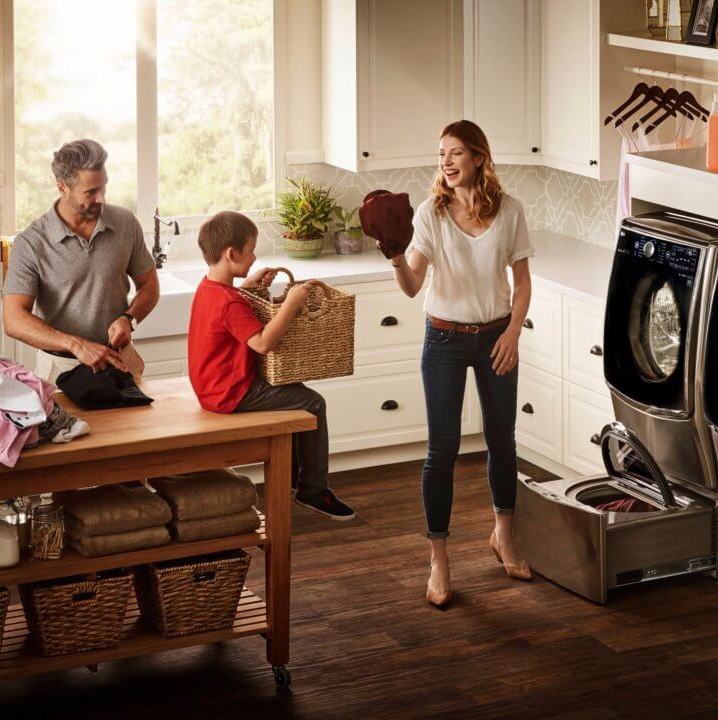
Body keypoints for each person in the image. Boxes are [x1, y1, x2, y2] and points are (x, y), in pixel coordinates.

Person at [386, 120, 534, 608]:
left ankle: (503, 536)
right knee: (441, 451)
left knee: (501, 440)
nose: (446, 163)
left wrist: (513, 331)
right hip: (445, 339)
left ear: (477, 157)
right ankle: (440, 560)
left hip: (495, 336)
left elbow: (522, 281)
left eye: (455, 153)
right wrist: (393, 256)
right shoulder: (431, 214)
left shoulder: (509, 211)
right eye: (441, 154)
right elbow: (412, 287)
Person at [186, 211, 355, 521]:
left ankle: (293, 475)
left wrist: (249, 285)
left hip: (211, 386)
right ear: (232, 254)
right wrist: (291, 303)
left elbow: (231, 311)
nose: (253, 257)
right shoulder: (229, 302)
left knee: (295, 395)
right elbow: (263, 343)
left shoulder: (210, 288)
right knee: (312, 402)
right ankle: (313, 489)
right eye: (250, 250)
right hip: (230, 393)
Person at [2, 139, 159, 383]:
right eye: (91, 192)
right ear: (62, 187)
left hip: (121, 363)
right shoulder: (32, 243)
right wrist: (76, 344)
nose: (101, 199)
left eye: (103, 187)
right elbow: (13, 320)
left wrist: (130, 318)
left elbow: (149, 285)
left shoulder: (126, 222)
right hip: (60, 372)